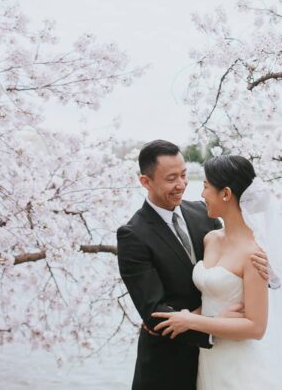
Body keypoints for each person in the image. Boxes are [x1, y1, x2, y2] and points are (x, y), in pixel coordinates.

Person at [150, 154, 282, 390]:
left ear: (226, 194)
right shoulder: (210, 239)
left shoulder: (255, 254)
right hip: (209, 360)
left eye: (207, 187)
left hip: (239, 365)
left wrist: (191, 320)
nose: (201, 195)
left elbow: (256, 327)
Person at [116, 141, 270, 390]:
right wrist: (213, 322)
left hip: (225, 359)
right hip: (168, 365)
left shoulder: (203, 215)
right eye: (171, 178)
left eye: (184, 174)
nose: (182, 185)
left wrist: (265, 267)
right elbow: (156, 314)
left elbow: (233, 270)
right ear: (146, 182)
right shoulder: (133, 235)